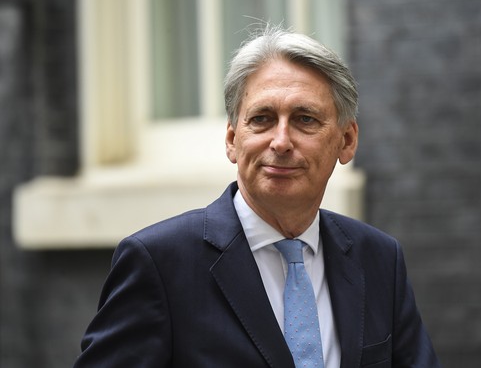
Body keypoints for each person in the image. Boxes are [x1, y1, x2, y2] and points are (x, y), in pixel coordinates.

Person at [74, 26, 440, 367]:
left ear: (346, 141)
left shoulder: (379, 259)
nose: (280, 142)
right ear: (233, 140)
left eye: (305, 119)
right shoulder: (159, 262)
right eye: (262, 118)